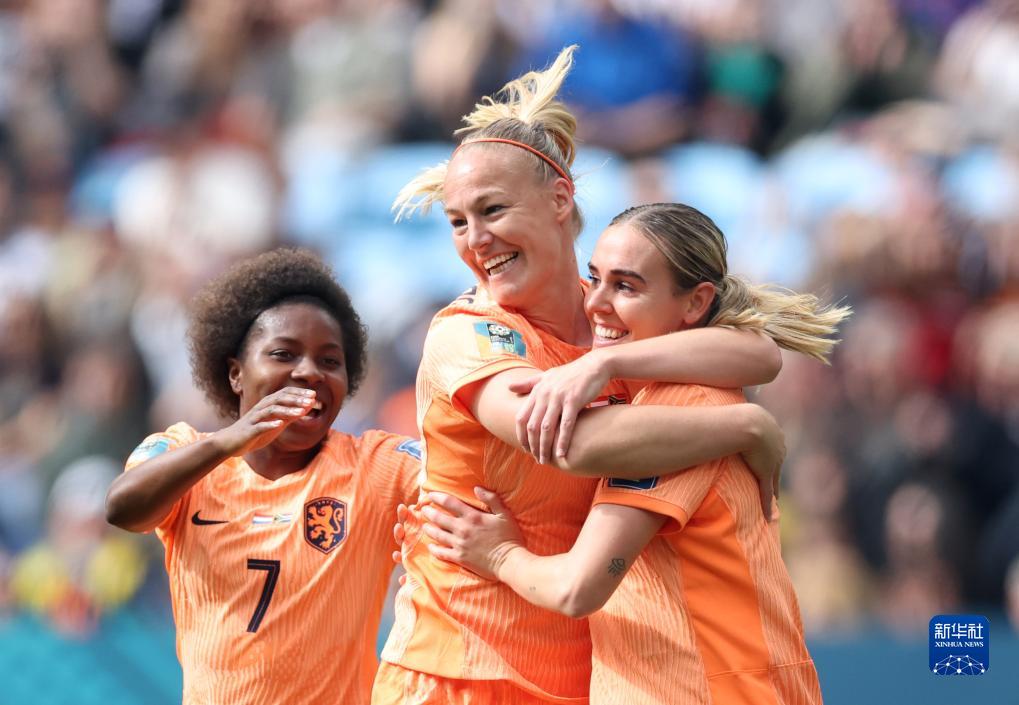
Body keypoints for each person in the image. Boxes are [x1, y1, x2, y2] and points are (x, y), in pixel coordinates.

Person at [373, 46, 789, 705]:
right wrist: (745, 424)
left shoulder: (613, 327)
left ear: (560, 199)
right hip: (458, 671)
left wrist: (607, 360)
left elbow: (758, 352)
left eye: (492, 210)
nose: (474, 240)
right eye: (457, 222)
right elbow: (567, 442)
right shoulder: (466, 333)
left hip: (576, 677)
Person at [420, 202, 850, 704]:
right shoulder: (671, 387)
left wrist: (497, 554)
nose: (595, 303)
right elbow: (761, 353)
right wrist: (747, 423)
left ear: (695, 303)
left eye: (625, 286)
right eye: (595, 278)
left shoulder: (676, 412)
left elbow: (575, 588)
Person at [105, 249, 421, 705]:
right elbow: (122, 509)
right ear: (236, 374)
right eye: (283, 354)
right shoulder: (185, 454)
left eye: (330, 361)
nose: (309, 372)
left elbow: (464, 476)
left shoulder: (376, 466)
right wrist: (227, 442)